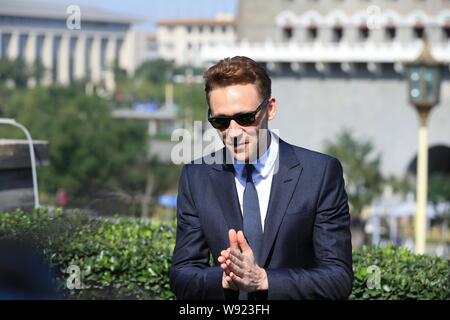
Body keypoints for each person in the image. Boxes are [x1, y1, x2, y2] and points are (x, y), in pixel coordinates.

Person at [170, 56, 352, 300]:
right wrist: (224, 279)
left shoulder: (319, 174)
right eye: (221, 122)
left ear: (270, 108)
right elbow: (182, 275)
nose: (233, 132)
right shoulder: (196, 178)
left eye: (245, 118)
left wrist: (263, 280)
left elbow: (337, 278)